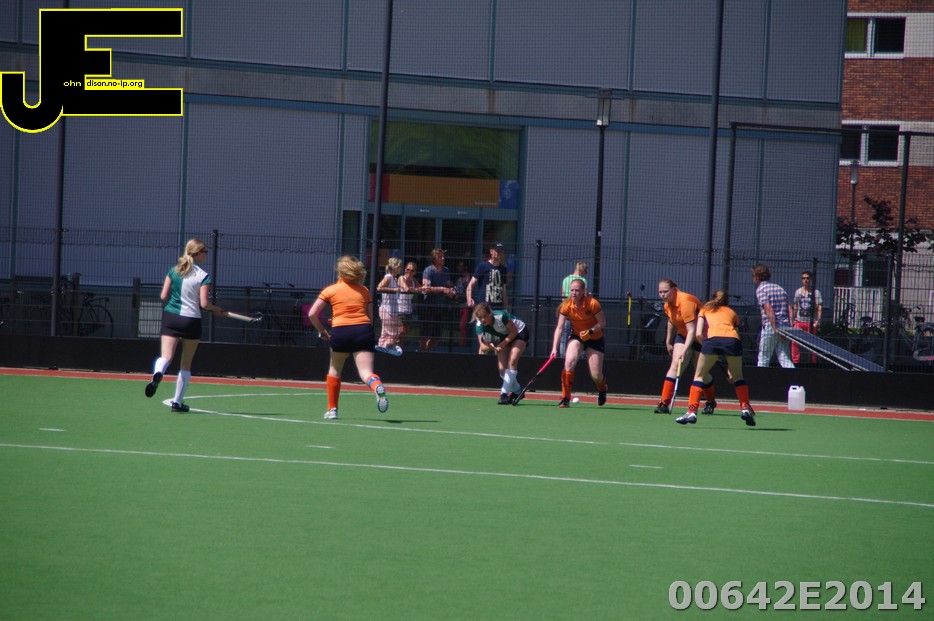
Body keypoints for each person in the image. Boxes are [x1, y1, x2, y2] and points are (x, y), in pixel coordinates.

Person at [145, 238, 226, 412]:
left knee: (166, 356)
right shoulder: (203, 276)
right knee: (185, 364)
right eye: (205, 252)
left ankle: (158, 373)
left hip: (171, 318)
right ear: (197, 253)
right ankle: (177, 403)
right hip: (191, 321)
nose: (206, 255)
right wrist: (215, 309)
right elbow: (204, 304)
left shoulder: (173, 271)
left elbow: (163, 296)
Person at [306, 255, 389, 420]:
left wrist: (323, 331)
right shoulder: (364, 291)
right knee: (366, 372)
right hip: (363, 330)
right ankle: (376, 385)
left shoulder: (330, 290)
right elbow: (370, 318)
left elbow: (312, 314)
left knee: (335, 370)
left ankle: (332, 410)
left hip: (340, 332)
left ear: (340, 272)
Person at [675, 290, 756, 427]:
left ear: (711, 298)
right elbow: (735, 334)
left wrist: (707, 347)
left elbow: (699, 334)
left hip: (712, 342)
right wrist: (730, 368)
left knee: (699, 376)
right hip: (733, 342)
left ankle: (692, 411)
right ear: (726, 301)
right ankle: (745, 408)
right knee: (738, 377)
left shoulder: (704, 310)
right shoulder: (732, 313)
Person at [653, 279, 716, 415]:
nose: (663, 295)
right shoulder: (667, 304)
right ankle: (664, 403)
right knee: (675, 365)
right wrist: (668, 341)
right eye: (660, 292)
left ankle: (710, 401)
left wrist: (685, 350)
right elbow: (671, 321)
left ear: (674, 289)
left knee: (701, 372)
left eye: (665, 291)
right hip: (683, 335)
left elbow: (692, 331)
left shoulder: (685, 302)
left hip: (701, 337)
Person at [550, 278, 608, 407]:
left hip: (595, 339)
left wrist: (590, 331)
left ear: (583, 291)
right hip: (577, 337)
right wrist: (554, 348)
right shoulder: (566, 305)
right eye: (572, 290)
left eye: (577, 290)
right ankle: (565, 398)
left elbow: (602, 323)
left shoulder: (593, 303)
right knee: (569, 363)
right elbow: (559, 328)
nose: (574, 293)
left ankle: (602, 388)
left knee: (596, 375)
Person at [472, 302, 530, 404]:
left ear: (490, 314)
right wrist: (491, 347)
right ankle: (518, 391)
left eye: (485, 316)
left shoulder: (501, 316)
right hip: (504, 336)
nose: (482, 320)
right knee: (502, 369)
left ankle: (503, 394)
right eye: (480, 317)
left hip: (519, 332)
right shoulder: (479, 325)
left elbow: (514, 332)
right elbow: (483, 347)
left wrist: (501, 345)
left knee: (512, 361)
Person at [752, 263, 795, 368]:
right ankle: (794, 376)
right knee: (784, 357)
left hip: (771, 326)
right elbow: (789, 308)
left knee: (764, 357)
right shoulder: (779, 288)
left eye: (753, 276)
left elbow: (768, 309)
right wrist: (790, 325)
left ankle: (760, 377)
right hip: (785, 326)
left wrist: (775, 328)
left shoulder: (761, 289)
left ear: (757, 276)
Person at [420, 248, 456, 352]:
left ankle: (427, 352)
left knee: (437, 336)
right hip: (428, 306)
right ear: (434, 259)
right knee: (425, 333)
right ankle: (422, 353)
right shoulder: (428, 270)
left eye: (443, 256)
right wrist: (442, 289)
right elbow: (426, 287)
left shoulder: (446, 270)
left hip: (440, 306)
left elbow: (448, 284)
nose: (443, 258)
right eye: (440, 256)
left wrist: (451, 290)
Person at [466, 242, 509, 311]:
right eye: (497, 251)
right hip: (484, 307)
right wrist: (469, 299)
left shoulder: (503, 269)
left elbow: (503, 290)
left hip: (498, 308)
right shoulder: (483, 266)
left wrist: (506, 308)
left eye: (501, 251)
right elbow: (471, 284)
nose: (499, 253)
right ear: (491, 251)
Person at [791, 270, 822, 364]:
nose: (806, 280)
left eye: (808, 278)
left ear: (811, 279)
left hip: (811, 322)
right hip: (799, 321)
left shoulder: (816, 292)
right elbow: (795, 306)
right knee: (794, 342)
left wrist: (818, 320)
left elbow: (819, 307)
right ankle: (795, 361)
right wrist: (793, 319)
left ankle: (813, 361)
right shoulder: (798, 292)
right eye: (803, 278)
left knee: (812, 343)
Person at [559, 261, 588, 357]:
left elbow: (563, 296)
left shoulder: (566, 279)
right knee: (581, 334)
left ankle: (563, 356)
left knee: (564, 335)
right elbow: (585, 297)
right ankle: (581, 355)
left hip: (567, 311)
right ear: (582, 270)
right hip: (579, 313)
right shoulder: (582, 281)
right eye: (585, 270)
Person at [376, 257, 403, 353]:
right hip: (387, 310)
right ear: (395, 267)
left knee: (385, 333)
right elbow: (379, 287)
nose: (400, 268)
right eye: (399, 267)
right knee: (394, 334)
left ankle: (381, 348)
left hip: (392, 310)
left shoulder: (394, 278)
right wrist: (393, 290)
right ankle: (386, 347)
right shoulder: (388, 277)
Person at [397, 261, 422, 351]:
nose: (409, 272)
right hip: (399, 310)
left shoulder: (414, 281)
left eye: (412, 271)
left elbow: (421, 288)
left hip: (408, 311)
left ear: (414, 272)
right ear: (405, 270)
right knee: (401, 331)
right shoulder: (401, 278)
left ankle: (399, 349)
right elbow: (406, 288)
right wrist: (414, 289)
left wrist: (425, 287)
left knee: (405, 333)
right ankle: (393, 347)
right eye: (408, 269)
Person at [454, 260, 472, 347]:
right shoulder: (459, 280)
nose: (459, 268)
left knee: (463, 325)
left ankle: (463, 343)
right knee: (460, 325)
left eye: (461, 266)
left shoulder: (471, 279)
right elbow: (457, 291)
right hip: (459, 305)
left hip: (467, 305)